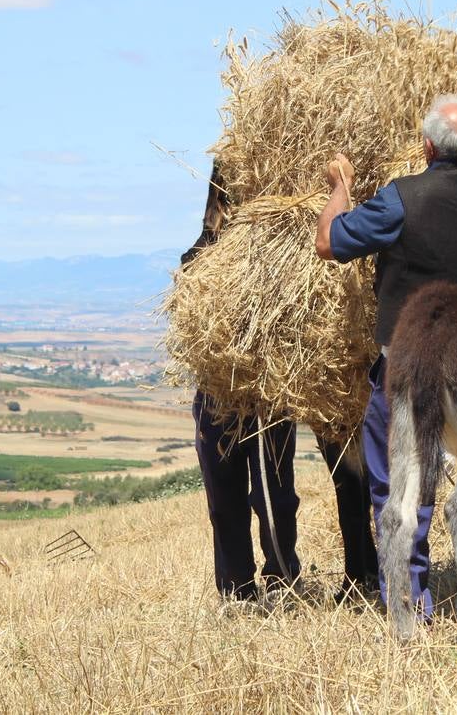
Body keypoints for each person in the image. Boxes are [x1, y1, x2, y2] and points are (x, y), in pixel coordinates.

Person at [314, 94, 457, 617]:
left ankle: (409, 602)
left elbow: (329, 242)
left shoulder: (402, 200)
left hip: (412, 365)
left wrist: (340, 189)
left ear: (427, 146)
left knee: (401, 486)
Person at [181, 164, 301, 602]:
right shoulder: (197, 256)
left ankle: (283, 578)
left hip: (266, 394)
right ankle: (236, 589)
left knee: (274, 497)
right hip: (215, 395)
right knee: (223, 501)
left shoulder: (269, 254)